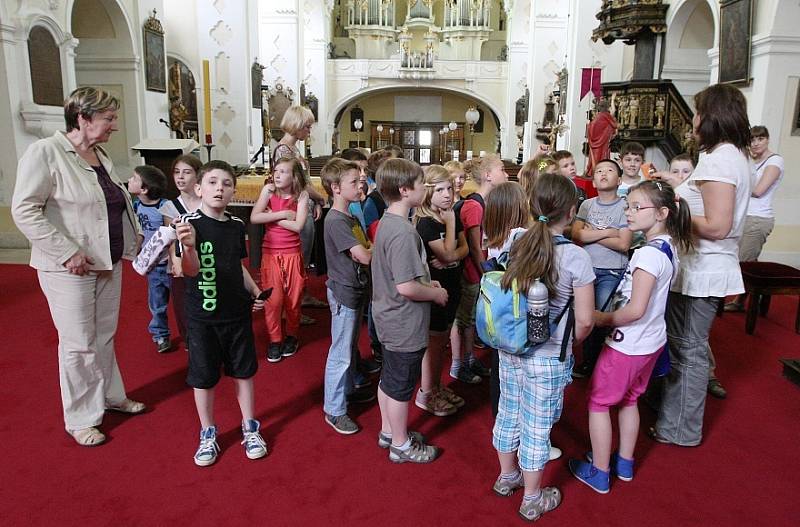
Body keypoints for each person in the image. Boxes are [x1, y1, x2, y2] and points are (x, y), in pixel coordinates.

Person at [12, 87, 146, 447]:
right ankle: (82, 418)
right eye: (109, 118)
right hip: (70, 269)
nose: (114, 125)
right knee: (78, 343)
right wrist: (66, 252)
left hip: (107, 261)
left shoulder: (99, 154)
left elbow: (112, 205)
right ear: (83, 118)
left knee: (103, 335)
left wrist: (137, 242)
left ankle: (110, 396)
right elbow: (24, 210)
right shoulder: (45, 153)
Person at [569, 180, 693, 493]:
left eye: (638, 207)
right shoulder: (667, 247)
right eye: (628, 206)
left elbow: (635, 309)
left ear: (663, 213)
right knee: (629, 399)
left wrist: (601, 318)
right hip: (651, 342)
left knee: (598, 402)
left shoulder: (648, 256)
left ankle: (599, 471)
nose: (629, 212)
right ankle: (623, 462)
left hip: (629, 344)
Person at [490, 173, 594, 521]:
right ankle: (532, 497)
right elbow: (585, 322)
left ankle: (507, 477)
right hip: (547, 357)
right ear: (572, 211)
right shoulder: (577, 258)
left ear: (531, 207)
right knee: (536, 426)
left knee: (508, 412)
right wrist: (569, 344)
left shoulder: (517, 241)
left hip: (510, 348)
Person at [652, 84, 751, 447]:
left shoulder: (721, 159)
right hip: (700, 265)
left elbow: (718, 225)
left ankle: (680, 429)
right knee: (684, 346)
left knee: (688, 350)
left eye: (697, 112)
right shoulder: (730, 155)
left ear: (712, 116)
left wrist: (674, 211)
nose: (693, 120)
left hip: (705, 267)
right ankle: (672, 415)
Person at [175, 160, 268, 466]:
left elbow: (236, 265)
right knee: (204, 377)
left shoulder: (236, 226)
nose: (220, 188)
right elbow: (189, 271)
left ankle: (249, 426)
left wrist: (255, 291)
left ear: (233, 192)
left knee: (243, 372)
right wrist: (188, 247)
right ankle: (207, 432)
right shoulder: (189, 224)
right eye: (213, 182)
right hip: (203, 317)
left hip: (236, 314)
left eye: (226, 184)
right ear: (199, 189)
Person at [372, 158, 448, 463]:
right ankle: (401, 445)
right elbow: (406, 287)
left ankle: (388, 431)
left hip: (388, 315)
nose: (425, 188)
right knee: (401, 385)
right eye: (421, 184)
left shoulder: (388, 221)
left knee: (389, 379)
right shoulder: (403, 231)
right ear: (405, 190)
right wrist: (435, 293)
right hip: (403, 319)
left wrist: (426, 280)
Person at [320, 158, 374, 434]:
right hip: (344, 291)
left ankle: (348, 390)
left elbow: (364, 247)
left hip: (355, 288)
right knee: (340, 352)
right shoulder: (336, 220)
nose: (360, 183)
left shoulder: (350, 215)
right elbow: (364, 254)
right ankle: (334, 408)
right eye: (353, 181)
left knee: (350, 346)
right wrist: (382, 247)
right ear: (335, 188)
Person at [414, 165, 469, 417]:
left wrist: (450, 257)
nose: (447, 194)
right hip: (434, 289)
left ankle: (436, 387)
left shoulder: (448, 215)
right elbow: (447, 251)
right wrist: (449, 249)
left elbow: (464, 248)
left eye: (449, 188)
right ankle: (426, 393)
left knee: (442, 339)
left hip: (452, 284)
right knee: (434, 344)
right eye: (439, 190)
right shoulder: (427, 222)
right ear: (427, 193)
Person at [450, 154, 509, 384]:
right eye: (501, 169)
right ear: (487, 176)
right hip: (471, 272)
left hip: (479, 270)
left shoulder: (485, 202)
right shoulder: (474, 205)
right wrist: (486, 273)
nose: (505, 174)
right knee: (464, 319)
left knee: (472, 319)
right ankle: (458, 365)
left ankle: (470, 359)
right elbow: (475, 247)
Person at [571, 159, 632, 378]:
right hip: (586, 269)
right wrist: (609, 232)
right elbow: (577, 234)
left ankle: (599, 363)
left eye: (609, 170)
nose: (603, 173)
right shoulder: (587, 204)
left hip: (611, 270)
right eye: (598, 171)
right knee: (584, 314)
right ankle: (587, 360)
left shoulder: (624, 206)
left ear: (619, 179)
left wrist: (593, 233)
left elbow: (624, 244)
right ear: (594, 181)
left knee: (603, 317)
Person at [251, 156, 309, 363]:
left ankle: (291, 336)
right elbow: (255, 217)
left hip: (292, 253)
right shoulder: (268, 190)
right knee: (273, 301)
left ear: (294, 176)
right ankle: (275, 340)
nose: (277, 174)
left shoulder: (301, 196)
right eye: (276, 170)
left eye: (284, 171)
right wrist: (283, 213)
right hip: (271, 254)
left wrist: (272, 215)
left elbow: (298, 226)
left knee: (293, 300)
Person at [272, 105, 328, 321]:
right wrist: (319, 198)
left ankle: (302, 296)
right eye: (307, 126)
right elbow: (298, 183)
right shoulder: (284, 150)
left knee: (303, 258)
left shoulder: (293, 148)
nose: (309, 131)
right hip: (293, 209)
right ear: (296, 125)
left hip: (302, 205)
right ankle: (290, 308)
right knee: (295, 259)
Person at [724, 125, 785, 312]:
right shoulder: (750, 160)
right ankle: (756, 296)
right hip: (744, 216)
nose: (756, 143)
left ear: (767, 139)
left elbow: (758, 190)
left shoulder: (775, 161)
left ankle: (744, 301)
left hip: (758, 218)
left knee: (742, 263)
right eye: (752, 140)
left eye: (760, 139)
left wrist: (731, 185)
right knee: (748, 262)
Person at [128, 165, 173, 353]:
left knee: (182, 302)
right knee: (157, 303)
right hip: (151, 265)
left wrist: (173, 262)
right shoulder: (135, 205)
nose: (129, 180)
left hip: (168, 264)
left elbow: (171, 236)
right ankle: (161, 334)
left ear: (144, 189)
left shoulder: (164, 207)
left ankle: (190, 334)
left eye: (134, 178)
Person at [166, 154, 203, 351]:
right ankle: (191, 342)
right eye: (177, 172)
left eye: (186, 172)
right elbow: (171, 238)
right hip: (182, 261)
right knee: (184, 304)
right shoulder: (170, 206)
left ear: (197, 176)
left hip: (205, 258)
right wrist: (175, 260)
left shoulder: (207, 201)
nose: (180, 177)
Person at [586, 98, 618, 179]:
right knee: (602, 158)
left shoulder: (597, 117)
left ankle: (593, 172)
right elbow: (614, 126)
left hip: (595, 144)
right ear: (607, 107)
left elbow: (591, 129)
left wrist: (588, 125)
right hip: (603, 143)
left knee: (595, 159)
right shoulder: (607, 117)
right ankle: (601, 174)